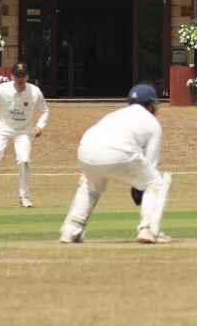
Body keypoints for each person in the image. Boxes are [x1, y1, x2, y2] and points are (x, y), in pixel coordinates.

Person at [59, 84, 172, 244]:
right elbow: (150, 164)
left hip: (86, 150)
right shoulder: (152, 123)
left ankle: (70, 229)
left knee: (90, 187)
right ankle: (148, 229)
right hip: (119, 152)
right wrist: (140, 187)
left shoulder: (115, 115)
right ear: (152, 105)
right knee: (157, 183)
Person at [0, 64, 50, 209]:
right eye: (17, 76)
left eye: (23, 76)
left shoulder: (35, 92)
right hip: (2, 127)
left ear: (27, 76)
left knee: (24, 160)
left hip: (24, 130)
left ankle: (24, 197)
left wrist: (40, 126)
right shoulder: (2, 89)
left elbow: (45, 110)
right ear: (12, 76)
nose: (20, 79)